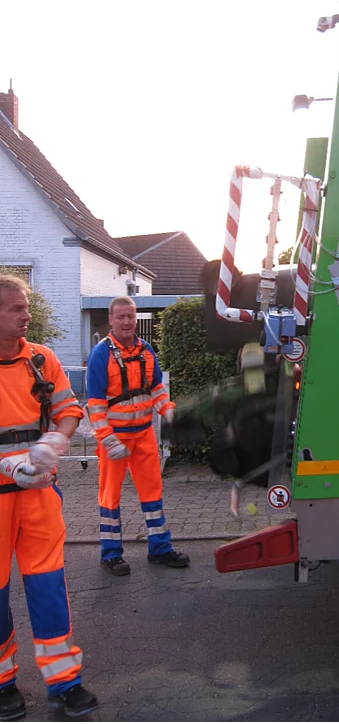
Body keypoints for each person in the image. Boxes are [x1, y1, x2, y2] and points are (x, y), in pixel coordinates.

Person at [0, 274, 98, 720]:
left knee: (48, 589)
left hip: (39, 493)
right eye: (16, 309)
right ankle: (3, 686)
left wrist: (56, 442)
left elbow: (68, 411)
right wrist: (8, 465)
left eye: (26, 307)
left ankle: (65, 681)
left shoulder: (41, 359)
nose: (27, 315)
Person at [86, 297, 190, 576]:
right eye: (120, 316)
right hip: (114, 439)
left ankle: (159, 548)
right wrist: (107, 439)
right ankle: (110, 554)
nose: (127, 321)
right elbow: (94, 403)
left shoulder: (146, 350)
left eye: (130, 316)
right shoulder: (100, 354)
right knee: (110, 497)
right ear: (111, 320)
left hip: (143, 435)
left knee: (152, 494)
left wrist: (167, 411)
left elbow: (156, 387)